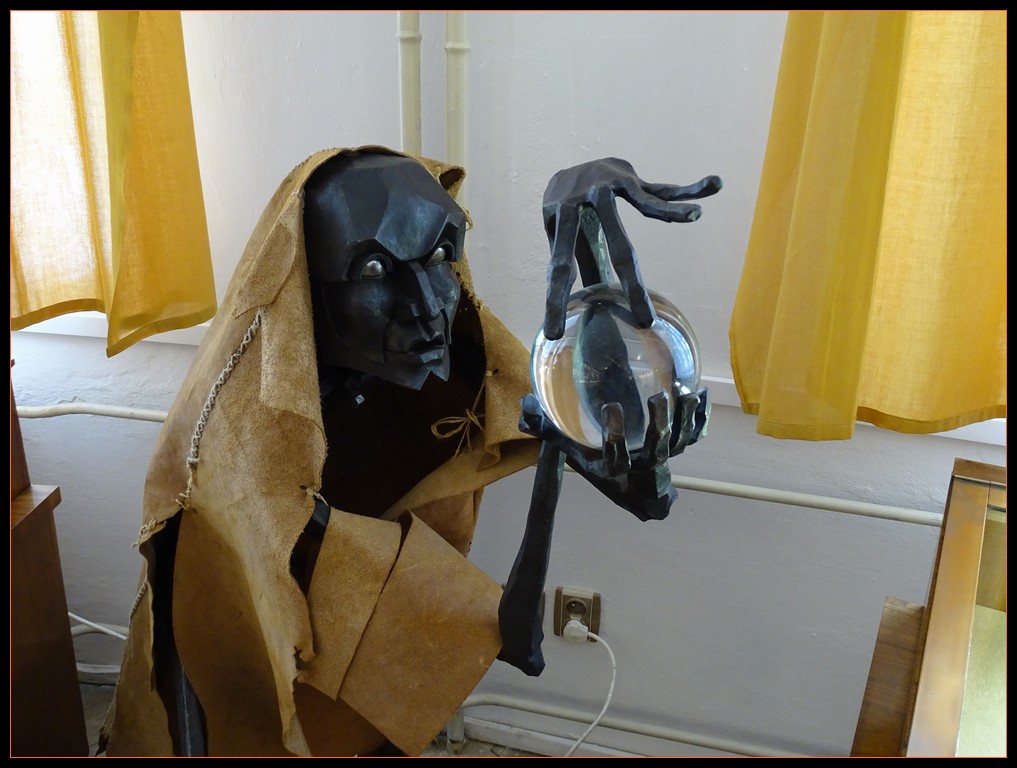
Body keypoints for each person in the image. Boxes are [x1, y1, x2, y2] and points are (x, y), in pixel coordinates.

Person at [100, 145, 718, 756]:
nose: (427, 309)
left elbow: (642, 492)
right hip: (261, 684)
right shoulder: (239, 434)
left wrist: (593, 263)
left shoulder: (464, 355)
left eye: (442, 255)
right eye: (374, 270)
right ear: (302, 282)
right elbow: (194, 629)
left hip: (382, 688)